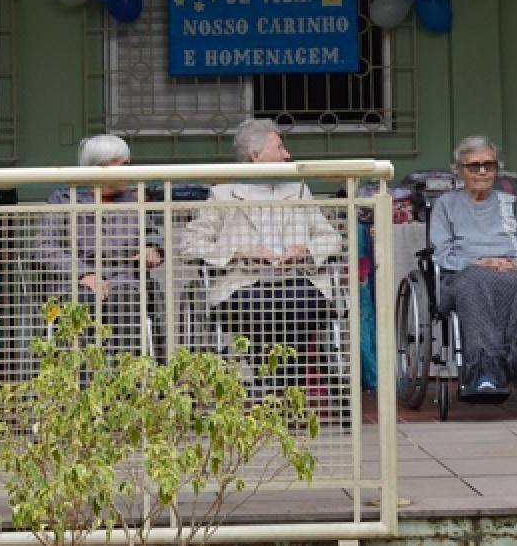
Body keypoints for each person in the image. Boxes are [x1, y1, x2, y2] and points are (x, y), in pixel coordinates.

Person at [183, 119, 342, 388]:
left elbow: (332, 238)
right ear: (255, 156)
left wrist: (306, 251)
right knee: (257, 305)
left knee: (300, 301)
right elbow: (190, 244)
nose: (288, 155)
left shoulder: (299, 190)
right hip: (243, 282)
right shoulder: (223, 195)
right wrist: (240, 253)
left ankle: (282, 386)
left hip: (297, 278)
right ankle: (274, 384)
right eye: (280, 148)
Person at [427, 136, 517, 396]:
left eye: (488, 165)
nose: (482, 171)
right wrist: (478, 262)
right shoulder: (445, 205)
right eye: (473, 166)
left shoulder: (513, 205)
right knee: (475, 279)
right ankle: (484, 372)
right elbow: (441, 255)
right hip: (465, 274)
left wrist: (512, 263)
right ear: (459, 170)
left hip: (513, 270)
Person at [36, 134, 164, 354]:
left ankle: (127, 381)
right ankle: (82, 383)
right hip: (74, 283)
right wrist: (84, 274)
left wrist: (153, 249)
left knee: (127, 298)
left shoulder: (136, 201)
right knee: (81, 301)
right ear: (97, 166)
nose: (127, 167)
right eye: (119, 162)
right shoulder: (64, 200)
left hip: (124, 280)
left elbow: (153, 234)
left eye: (127, 162)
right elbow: (45, 246)